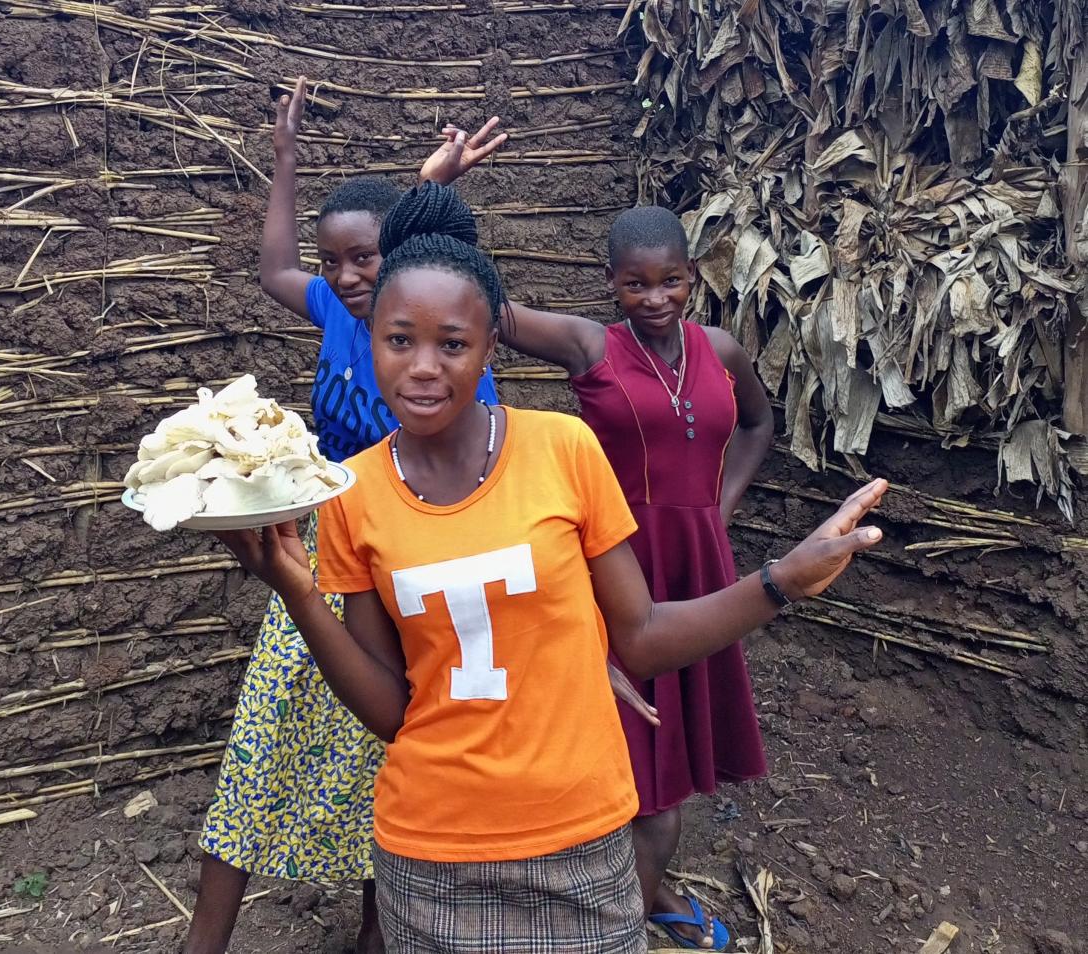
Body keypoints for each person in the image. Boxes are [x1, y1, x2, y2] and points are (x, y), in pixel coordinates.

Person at [212, 182, 888, 953]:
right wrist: (297, 589)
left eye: (453, 344)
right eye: (399, 341)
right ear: (370, 343)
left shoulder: (562, 451)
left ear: (490, 347)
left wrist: (782, 580)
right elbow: (392, 712)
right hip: (431, 855)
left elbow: (641, 637)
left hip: (582, 840)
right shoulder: (352, 495)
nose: (424, 367)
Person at [182, 80, 506, 954]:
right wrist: (284, 159)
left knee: (385, 750)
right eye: (338, 263)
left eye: (365, 258)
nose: (348, 276)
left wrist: (430, 186)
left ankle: (377, 938)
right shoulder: (331, 310)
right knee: (261, 734)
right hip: (325, 546)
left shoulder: (426, 338)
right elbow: (272, 269)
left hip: (410, 549)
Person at [470, 199, 774, 948]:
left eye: (670, 281)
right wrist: (441, 197)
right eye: (636, 285)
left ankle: (629, 901)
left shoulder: (722, 349)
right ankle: (616, 916)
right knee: (630, 760)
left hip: (698, 567)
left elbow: (759, 424)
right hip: (615, 567)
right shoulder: (590, 347)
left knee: (662, 755)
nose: (656, 299)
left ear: (692, 278)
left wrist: (716, 507)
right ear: (611, 285)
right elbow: (488, 309)